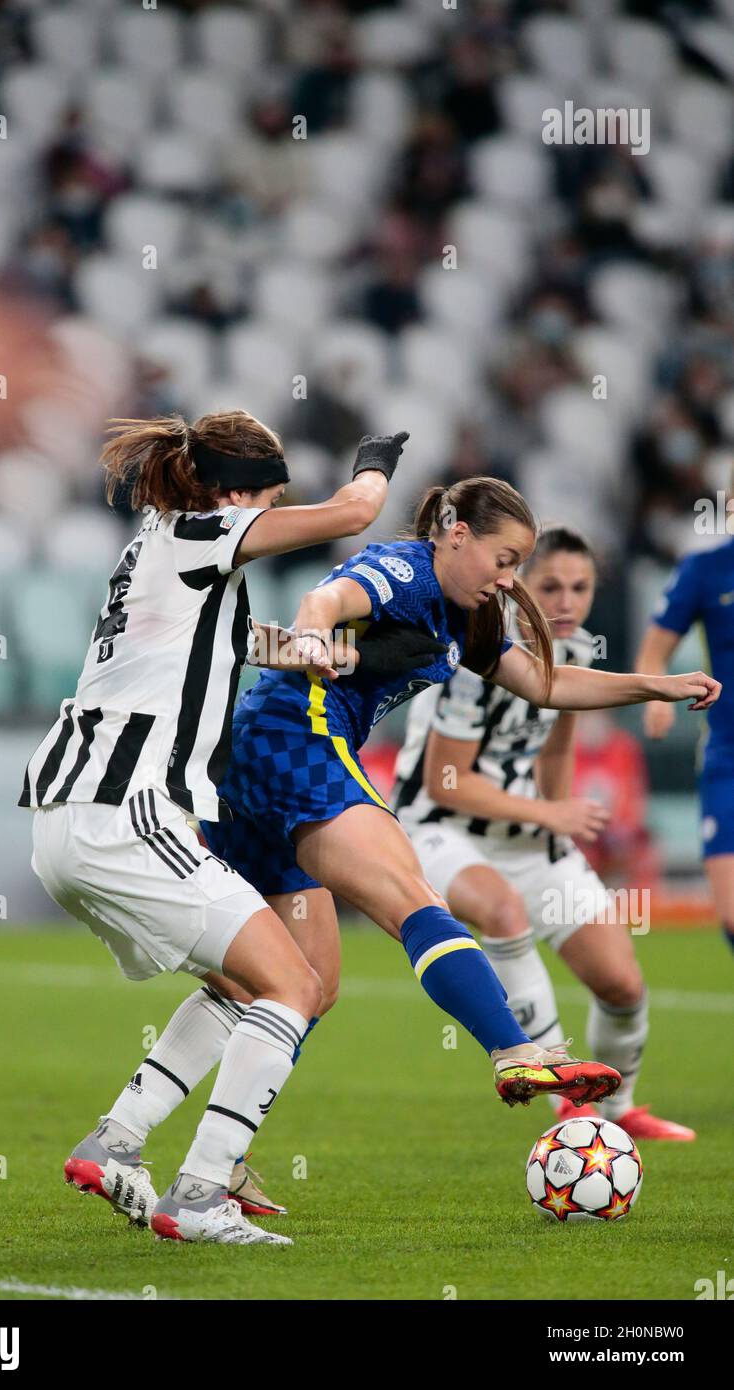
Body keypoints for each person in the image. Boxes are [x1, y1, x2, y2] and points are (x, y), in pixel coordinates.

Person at [111, 477, 718, 1215]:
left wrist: (653, 688)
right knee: (414, 899)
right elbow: (328, 603)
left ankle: (130, 1143)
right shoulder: (406, 570)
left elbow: (547, 685)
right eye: (504, 558)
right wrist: (308, 632)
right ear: (454, 533)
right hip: (295, 737)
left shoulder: (467, 614)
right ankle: (514, 1048)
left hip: (256, 759)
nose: (510, 578)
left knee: (297, 985)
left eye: (518, 564)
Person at [19, 410, 414, 1246]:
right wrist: (377, 458)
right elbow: (353, 513)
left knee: (246, 986)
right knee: (297, 985)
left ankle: (116, 1142)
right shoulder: (205, 530)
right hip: (122, 811)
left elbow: (247, 649)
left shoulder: (165, 552)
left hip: (75, 819)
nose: (271, 512)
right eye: (269, 497)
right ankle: (199, 1193)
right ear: (236, 495)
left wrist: (357, 660)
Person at [393, 526, 695, 1141]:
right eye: (550, 585)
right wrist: (549, 815)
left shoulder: (576, 648)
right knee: (503, 911)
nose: (565, 601)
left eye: (579, 588)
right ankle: (561, 1091)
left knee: (622, 983)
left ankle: (618, 1110)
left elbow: (557, 746)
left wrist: (558, 823)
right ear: (519, 583)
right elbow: (447, 780)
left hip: (528, 830)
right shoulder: (480, 648)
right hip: (440, 829)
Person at [635, 524, 734, 956]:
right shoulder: (705, 570)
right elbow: (654, 652)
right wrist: (657, 696)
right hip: (727, 757)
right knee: (731, 913)